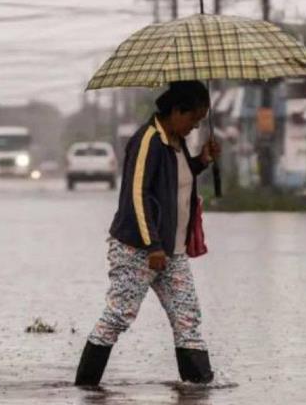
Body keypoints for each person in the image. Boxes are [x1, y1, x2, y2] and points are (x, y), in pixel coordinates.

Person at [75, 80, 221, 387]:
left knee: (187, 319)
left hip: (172, 251)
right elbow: (136, 195)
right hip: (137, 249)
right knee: (118, 316)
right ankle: (86, 388)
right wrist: (153, 246)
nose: (195, 127)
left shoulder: (176, 143)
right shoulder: (148, 141)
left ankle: (199, 387)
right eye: (193, 118)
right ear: (176, 111)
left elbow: (174, 182)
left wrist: (201, 162)